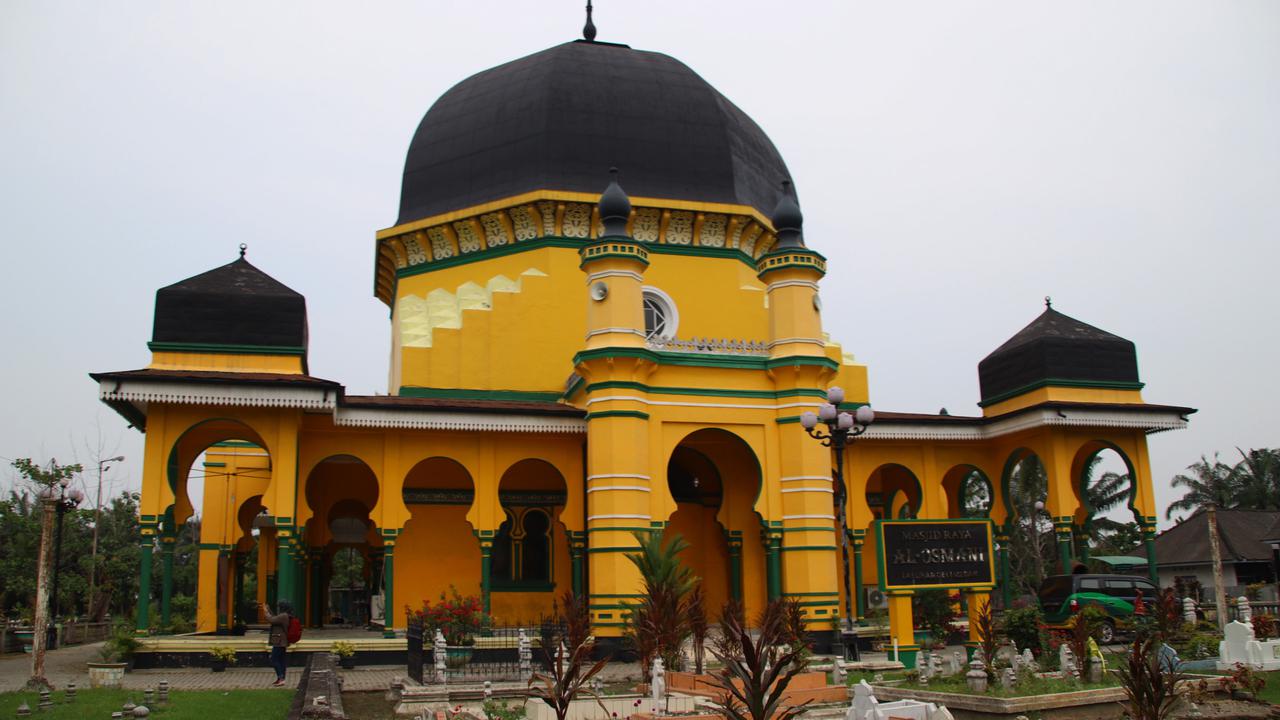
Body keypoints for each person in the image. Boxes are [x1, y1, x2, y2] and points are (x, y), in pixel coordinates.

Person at [261, 600, 293, 687]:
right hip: (282, 641)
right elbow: (275, 618)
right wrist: (269, 610)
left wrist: (265, 611)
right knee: (281, 660)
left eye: (279, 606)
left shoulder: (283, 616)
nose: (278, 608)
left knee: (274, 659)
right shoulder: (285, 615)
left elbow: (271, 620)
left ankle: (281, 678)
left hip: (280, 642)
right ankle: (281, 678)